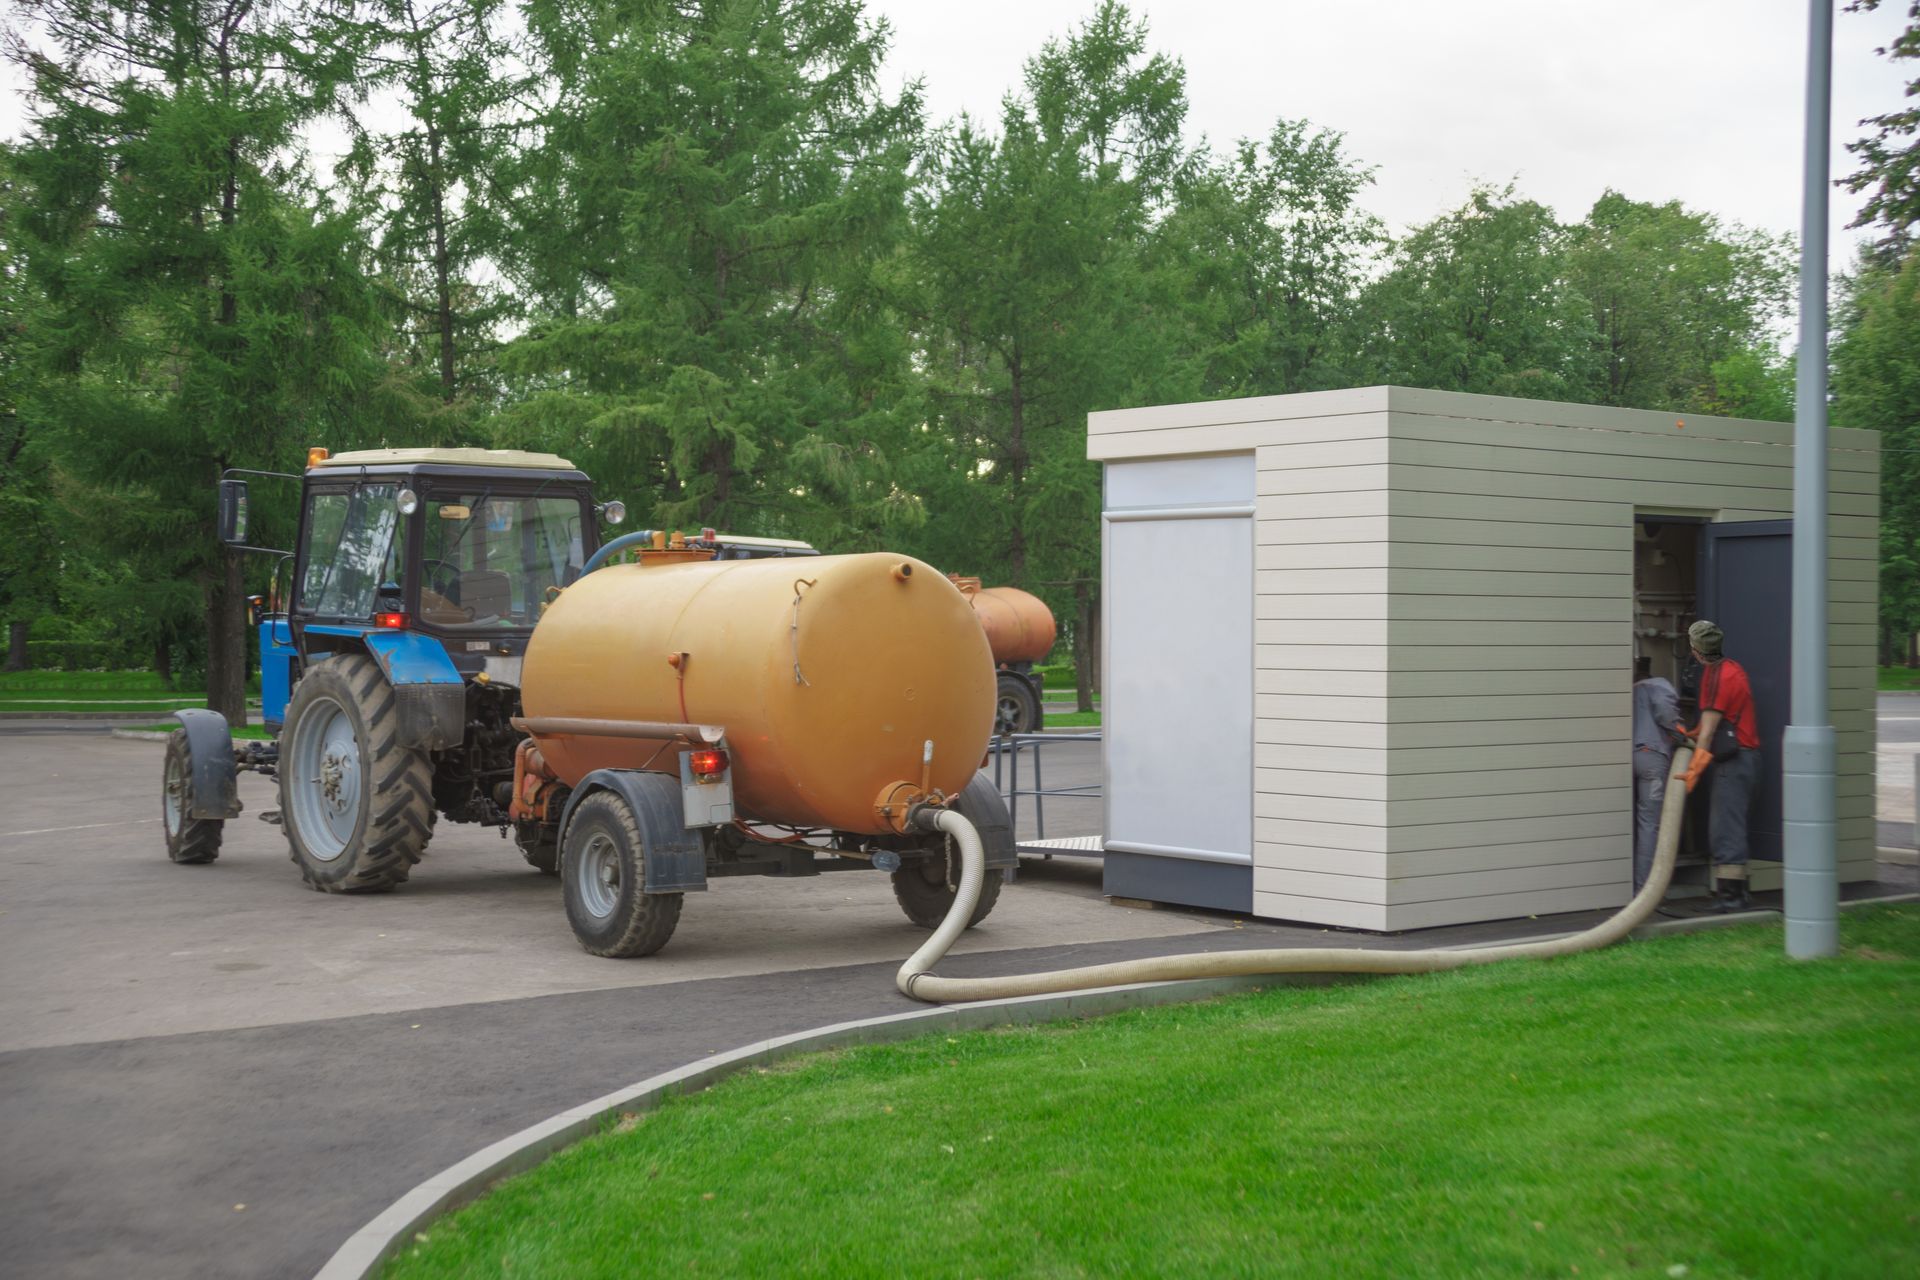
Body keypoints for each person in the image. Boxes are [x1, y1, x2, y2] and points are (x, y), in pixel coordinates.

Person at [1679, 619, 1761, 912]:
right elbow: (1715, 720)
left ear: (1696, 650)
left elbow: (1711, 729)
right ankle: (1739, 893)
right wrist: (1688, 733)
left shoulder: (1715, 677)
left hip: (1734, 761)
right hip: (1747, 759)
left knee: (1725, 829)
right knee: (1733, 825)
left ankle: (1731, 898)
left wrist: (1693, 771)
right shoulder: (1732, 669)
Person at [1630, 663, 1682, 892]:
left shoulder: (1628, 691)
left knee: (1629, 822)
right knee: (1649, 823)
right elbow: (1666, 713)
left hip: (1626, 758)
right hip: (1652, 758)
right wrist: (1681, 734)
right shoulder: (1659, 685)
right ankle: (1645, 889)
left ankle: (1627, 885)